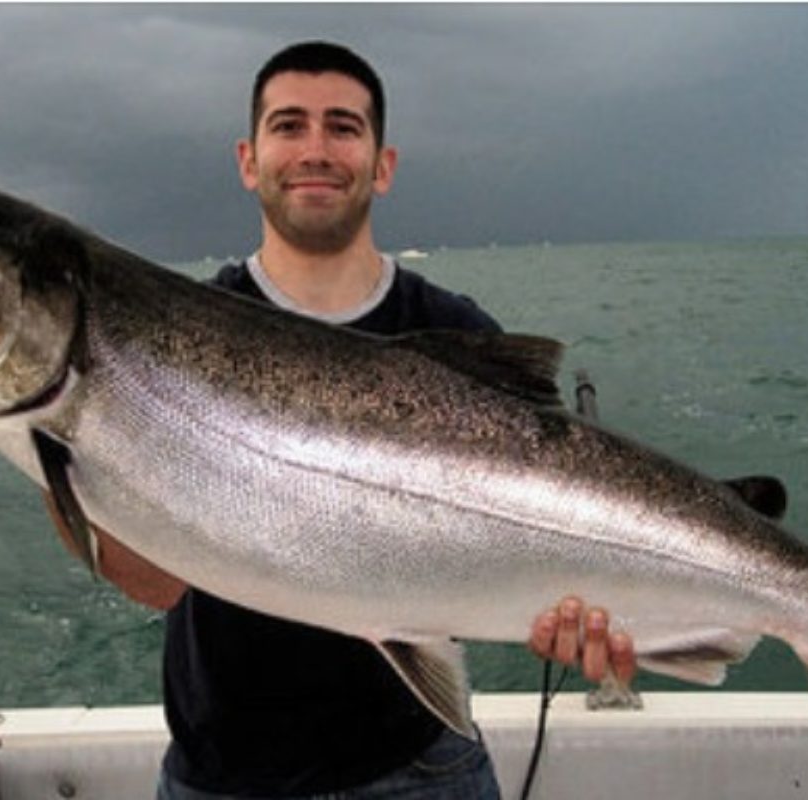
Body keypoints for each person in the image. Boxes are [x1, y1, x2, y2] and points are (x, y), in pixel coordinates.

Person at [45, 40, 635, 799]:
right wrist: (54, 445)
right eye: (289, 125)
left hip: (423, 765)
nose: (315, 149)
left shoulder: (456, 331)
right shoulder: (173, 337)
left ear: (381, 164)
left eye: (343, 128)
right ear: (248, 160)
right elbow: (156, 583)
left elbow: (542, 521)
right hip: (224, 772)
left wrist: (575, 614)